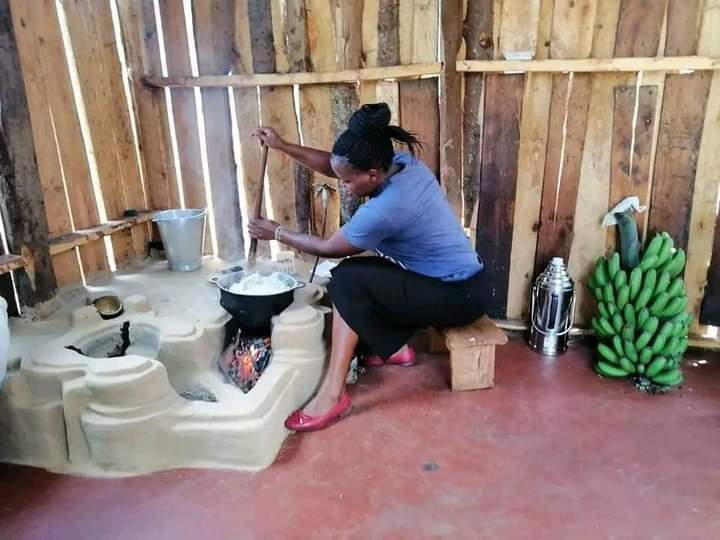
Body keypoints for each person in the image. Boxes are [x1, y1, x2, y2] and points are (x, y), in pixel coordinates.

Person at [249, 103, 486, 432]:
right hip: (455, 281)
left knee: (347, 280)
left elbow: (329, 248)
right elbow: (337, 166)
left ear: (371, 175)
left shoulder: (386, 209)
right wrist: (282, 146)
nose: (342, 185)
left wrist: (274, 232)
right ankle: (397, 349)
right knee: (361, 273)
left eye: (347, 182)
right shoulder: (403, 165)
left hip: (460, 297)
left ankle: (332, 394)